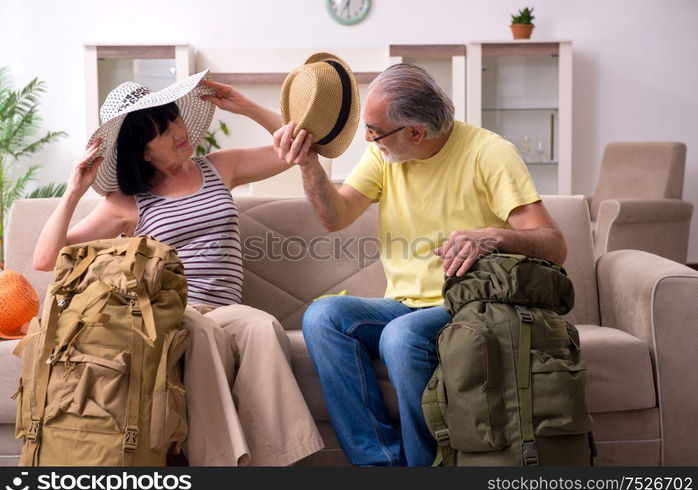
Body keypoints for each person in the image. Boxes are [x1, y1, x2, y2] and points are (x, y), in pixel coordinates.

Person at [273, 63, 568, 466]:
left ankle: (427, 467)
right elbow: (334, 216)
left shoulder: (489, 153)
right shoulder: (385, 153)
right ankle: (381, 466)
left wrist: (490, 236)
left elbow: (553, 244)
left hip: (472, 305)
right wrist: (308, 166)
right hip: (405, 304)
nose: (367, 138)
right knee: (324, 315)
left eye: (374, 131)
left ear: (416, 132)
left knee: (401, 336)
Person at [32, 71, 323, 466]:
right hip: (172, 312)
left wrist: (247, 106)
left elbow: (300, 149)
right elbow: (46, 259)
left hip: (226, 309)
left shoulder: (220, 167)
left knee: (263, 326)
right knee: (202, 332)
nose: (177, 130)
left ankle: (281, 464)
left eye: (174, 118)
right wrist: (73, 190)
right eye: (160, 130)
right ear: (142, 151)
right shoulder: (128, 202)